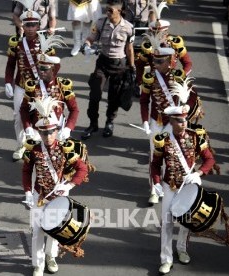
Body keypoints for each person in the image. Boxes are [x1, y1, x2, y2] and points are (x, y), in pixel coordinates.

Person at [22, 96, 92, 276]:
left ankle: (50, 256)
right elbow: (26, 172)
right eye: (43, 133)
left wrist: (69, 186)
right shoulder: (34, 150)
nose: (47, 136)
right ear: (39, 132)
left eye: (51, 132)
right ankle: (37, 264)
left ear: (56, 130)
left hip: (58, 194)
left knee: (54, 229)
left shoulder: (64, 149)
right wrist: (28, 192)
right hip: (39, 195)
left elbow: (82, 169)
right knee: (37, 231)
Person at [150, 103, 215, 275]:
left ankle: (182, 249)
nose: (183, 123)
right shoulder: (162, 140)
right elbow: (155, 165)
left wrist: (199, 173)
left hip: (190, 183)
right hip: (170, 184)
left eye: (185, 120)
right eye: (179, 121)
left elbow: (209, 160)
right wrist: (156, 183)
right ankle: (166, 259)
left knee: (187, 221)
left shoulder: (195, 137)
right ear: (171, 121)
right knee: (167, 223)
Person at [139, 32, 200, 205]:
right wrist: (144, 121)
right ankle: (155, 190)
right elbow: (144, 101)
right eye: (155, 61)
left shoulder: (179, 76)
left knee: (175, 155)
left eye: (160, 61)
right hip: (157, 122)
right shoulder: (149, 78)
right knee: (155, 156)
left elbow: (194, 95)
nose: (155, 64)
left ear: (170, 61)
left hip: (173, 123)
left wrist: (187, 106)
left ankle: (175, 187)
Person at [5, 4, 59, 160]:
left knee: (41, 116)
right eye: (27, 25)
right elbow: (10, 64)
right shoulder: (16, 43)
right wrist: (8, 82)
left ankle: (40, 146)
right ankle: (21, 145)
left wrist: (49, 81)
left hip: (40, 87)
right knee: (18, 117)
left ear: (38, 25)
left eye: (33, 25)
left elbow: (56, 66)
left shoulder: (45, 42)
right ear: (23, 25)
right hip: (21, 86)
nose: (30, 28)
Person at [80, 0, 135, 140]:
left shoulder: (129, 27)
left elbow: (129, 49)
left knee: (114, 96)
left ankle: (109, 122)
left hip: (119, 65)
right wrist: (86, 44)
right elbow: (91, 37)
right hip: (103, 63)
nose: (107, 12)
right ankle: (93, 124)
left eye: (111, 10)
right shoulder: (100, 23)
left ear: (119, 11)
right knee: (95, 94)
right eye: (107, 9)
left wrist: (132, 67)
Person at [20, 33, 79, 142]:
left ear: (53, 69)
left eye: (45, 69)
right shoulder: (33, 86)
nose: (41, 72)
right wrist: (27, 127)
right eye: (40, 68)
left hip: (57, 131)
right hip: (38, 132)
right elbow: (24, 109)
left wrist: (68, 128)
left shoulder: (62, 86)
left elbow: (74, 109)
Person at [135, 1, 192, 87]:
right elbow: (139, 65)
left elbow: (188, 63)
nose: (157, 36)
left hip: (172, 82)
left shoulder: (175, 44)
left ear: (166, 33)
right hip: (154, 83)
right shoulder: (148, 46)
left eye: (160, 33)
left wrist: (182, 76)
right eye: (155, 33)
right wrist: (141, 83)